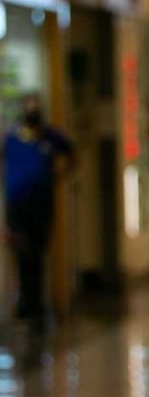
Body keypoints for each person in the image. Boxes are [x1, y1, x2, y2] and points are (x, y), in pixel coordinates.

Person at [4, 94, 74, 323]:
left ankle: (36, 304)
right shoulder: (12, 138)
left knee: (38, 253)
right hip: (18, 208)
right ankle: (26, 302)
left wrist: (58, 176)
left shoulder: (50, 136)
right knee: (23, 254)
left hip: (41, 206)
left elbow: (71, 154)